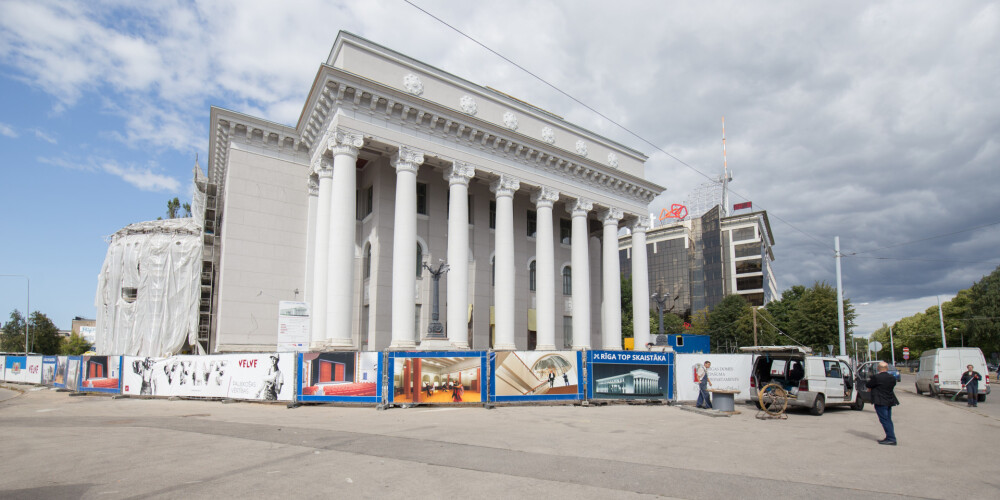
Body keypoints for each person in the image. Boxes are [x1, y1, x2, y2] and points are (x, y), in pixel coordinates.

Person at [866, 361, 900, 445]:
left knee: (884, 420)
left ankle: (891, 438)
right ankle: (889, 436)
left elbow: (868, 385)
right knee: (888, 419)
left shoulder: (876, 377)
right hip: (889, 400)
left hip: (880, 401)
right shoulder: (892, 377)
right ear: (887, 369)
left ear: (878, 368)